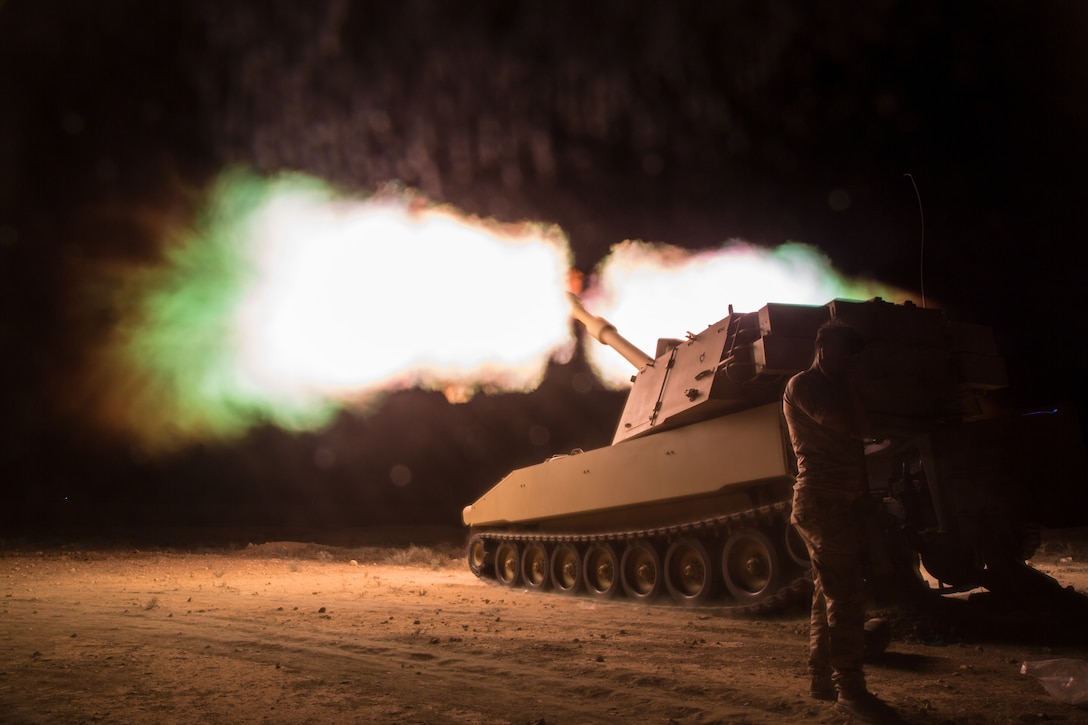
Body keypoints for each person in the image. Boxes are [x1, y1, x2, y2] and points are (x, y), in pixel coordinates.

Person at [782, 321, 900, 724]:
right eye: (843, 353)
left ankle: (821, 679)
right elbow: (848, 426)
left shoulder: (834, 384)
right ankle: (850, 689)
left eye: (853, 356)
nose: (849, 362)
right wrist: (853, 389)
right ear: (822, 348)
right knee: (846, 598)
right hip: (820, 501)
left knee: (825, 594)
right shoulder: (805, 385)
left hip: (838, 501)